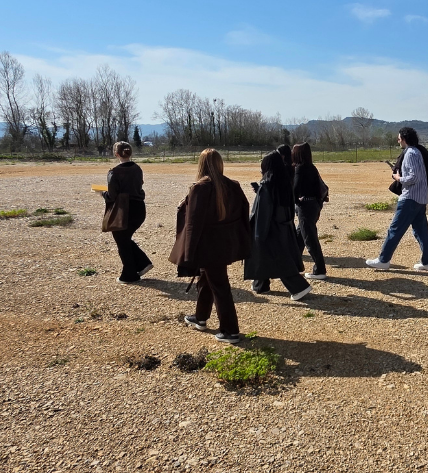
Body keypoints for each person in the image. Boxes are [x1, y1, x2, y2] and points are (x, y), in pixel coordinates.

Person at [170, 149, 251, 343]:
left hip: (208, 246)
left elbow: (193, 224)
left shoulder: (200, 188)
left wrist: (189, 254)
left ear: (201, 164)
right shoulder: (232, 185)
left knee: (220, 286)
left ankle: (230, 330)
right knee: (207, 280)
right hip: (227, 244)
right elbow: (244, 213)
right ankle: (200, 317)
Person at [244, 151, 312, 300]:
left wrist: (258, 234)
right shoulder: (285, 183)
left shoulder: (267, 186)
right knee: (266, 257)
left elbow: (263, 210)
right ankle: (260, 285)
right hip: (284, 226)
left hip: (269, 228)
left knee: (279, 260)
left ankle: (299, 287)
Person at [366, 127, 428, 271]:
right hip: (420, 198)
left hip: (410, 198)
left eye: (399, 138)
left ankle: (383, 260)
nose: (398, 140)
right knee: (421, 231)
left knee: (395, 230)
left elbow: (413, 177)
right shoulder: (418, 152)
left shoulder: (410, 153)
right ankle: (427, 262)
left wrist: (398, 178)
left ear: (404, 139)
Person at [106, 141, 152, 284]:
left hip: (124, 211)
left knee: (122, 240)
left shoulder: (114, 172)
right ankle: (142, 264)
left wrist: (102, 194)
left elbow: (112, 196)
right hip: (139, 209)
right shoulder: (137, 169)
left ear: (116, 154)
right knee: (124, 239)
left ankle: (130, 274)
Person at [292, 142, 327, 280]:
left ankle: (320, 270)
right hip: (314, 205)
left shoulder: (300, 168)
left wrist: (295, 201)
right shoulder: (312, 167)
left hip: (305, 206)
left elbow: (295, 188)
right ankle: (294, 265)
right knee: (299, 237)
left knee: (309, 239)